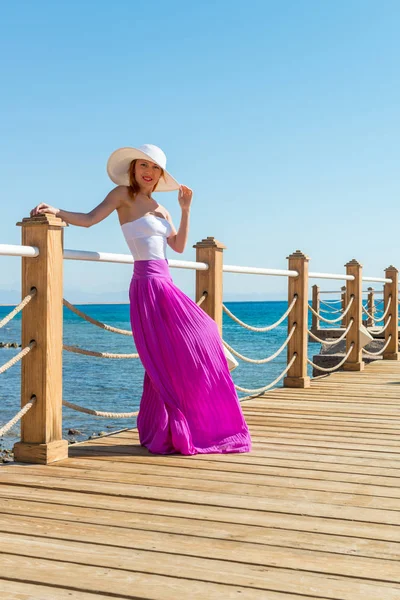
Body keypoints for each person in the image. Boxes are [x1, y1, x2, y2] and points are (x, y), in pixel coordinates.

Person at [30, 144, 252, 455]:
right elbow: (90, 219)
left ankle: (177, 422)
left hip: (167, 283)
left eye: (155, 168)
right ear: (133, 169)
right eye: (143, 166)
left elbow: (177, 246)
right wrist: (56, 211)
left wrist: (185, 209)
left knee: (202, 334)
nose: (148, 172)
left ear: (161, 175)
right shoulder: (122, 195)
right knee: (174, 349)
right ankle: (181, 417)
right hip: (148, 285)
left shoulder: (161, 208)